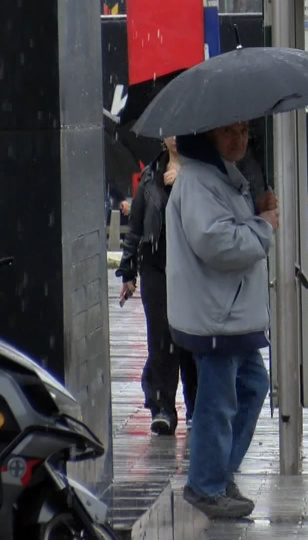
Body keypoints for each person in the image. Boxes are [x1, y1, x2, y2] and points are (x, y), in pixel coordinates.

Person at [166, 122, 277, 519]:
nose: (240, 140)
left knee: (251, 386)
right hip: (216, 315)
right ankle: (206, 484)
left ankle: (219, 473)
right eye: (229, 132)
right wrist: (264, 226)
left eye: (245, 131)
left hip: (231, 313)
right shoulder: (199, 181)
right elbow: (218, 243)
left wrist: (257, 212)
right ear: (206, 136)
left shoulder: (225, 177)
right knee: (218, 401)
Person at [116, 137, 197, 435]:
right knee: (160, 338)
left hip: (189, 263)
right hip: (155, 264)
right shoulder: (150, 175)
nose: (175, 137)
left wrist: (186, 181)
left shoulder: (200, 170)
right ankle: (162, 407)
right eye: (169, 131)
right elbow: (136, 227)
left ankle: (195, 406)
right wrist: (128, 272)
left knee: (190, 337)